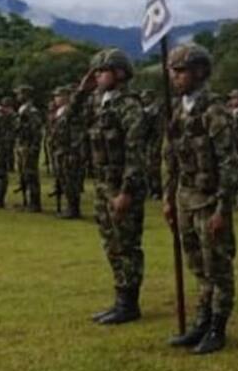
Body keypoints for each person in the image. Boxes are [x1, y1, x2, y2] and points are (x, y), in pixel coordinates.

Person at [162, 43, 238, 355]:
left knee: (217, 265)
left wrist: (223, 208)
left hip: (209, 202)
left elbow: (229, 164)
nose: (175, 77)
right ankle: (201, 321)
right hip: (185, 198)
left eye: (181, 71)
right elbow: (170, 159)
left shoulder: (214, 111)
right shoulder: (179, 110)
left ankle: (218, 327)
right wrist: (168, 199)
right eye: (173, 71)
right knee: (196, 264)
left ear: (200, 72)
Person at [73, 49, 147, 325]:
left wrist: (126, 192)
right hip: (103, 185)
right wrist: (81, 93)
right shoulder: (96, 103)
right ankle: (120, 299)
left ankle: (129, 303)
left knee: (126, 244)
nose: (96, 76)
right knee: (110, 244)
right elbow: (67, 125)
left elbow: (135, 153)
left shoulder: (129, 106)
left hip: (121, 187)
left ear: (119, 73)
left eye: (101, 71)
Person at [47, 85, 85, 219]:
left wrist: (73, 152)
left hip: (68, 151)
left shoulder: (71, 113)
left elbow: (76, 134)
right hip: (59, 150)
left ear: (65, 97)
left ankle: (73, 209)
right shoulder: (58, 113)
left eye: (58, 96)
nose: (56, 99)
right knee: (63, 180)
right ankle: (69, 207)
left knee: (70, 181)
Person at [14, 85, 44, 212]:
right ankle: (26, 202)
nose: (17, 96)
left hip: (29, 145)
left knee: (31, 174)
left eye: (19, 94)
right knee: (24, 174)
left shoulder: (31, 111)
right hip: (22, 144)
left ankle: (35, 203)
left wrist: (34, 146)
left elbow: (36, 130)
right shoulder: (22, 109)